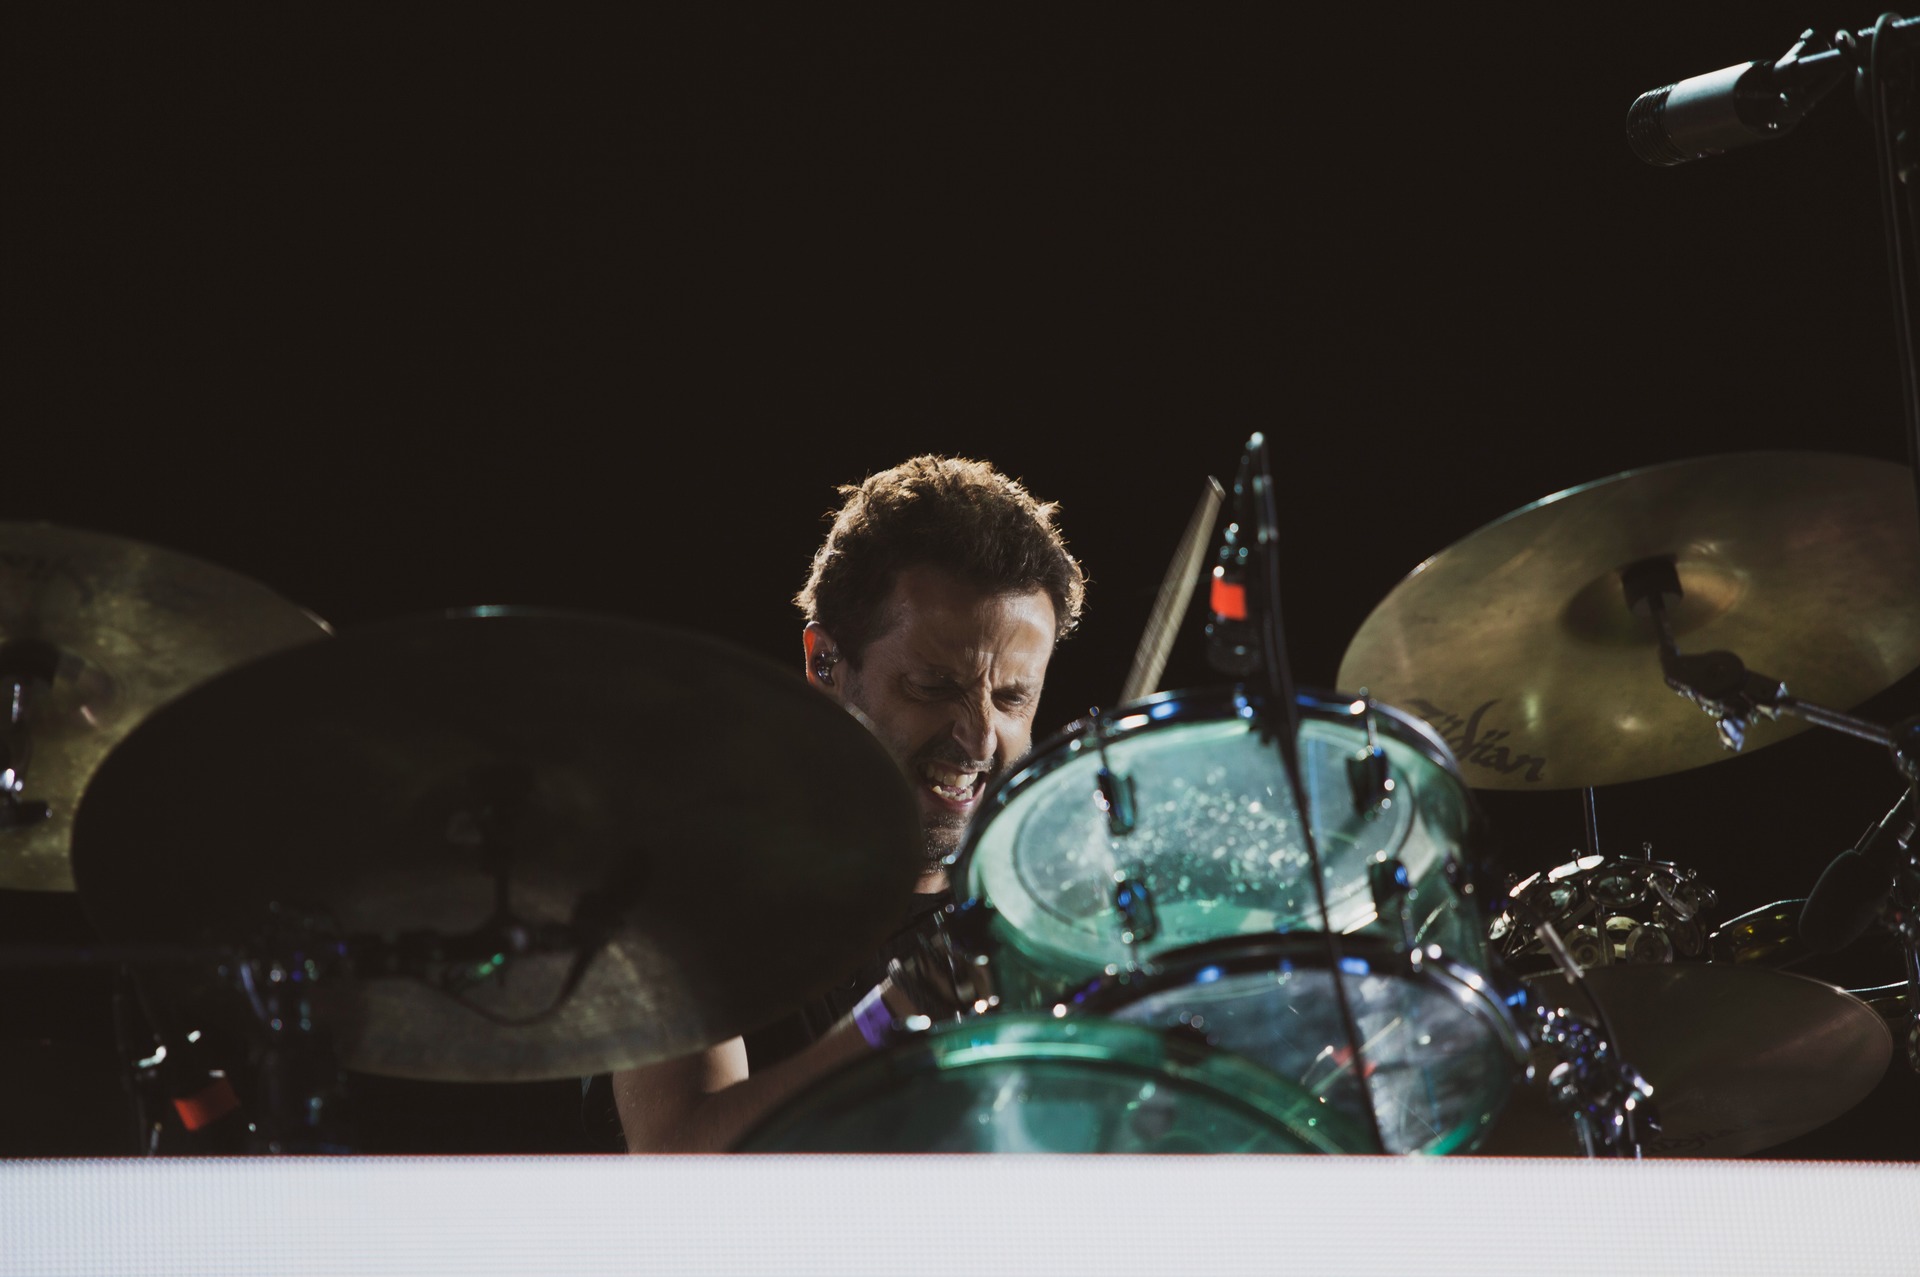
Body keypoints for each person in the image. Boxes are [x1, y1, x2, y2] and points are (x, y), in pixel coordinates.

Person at [606, 455, 1086, 1153]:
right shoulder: (695, 884)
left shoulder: (1030, 912)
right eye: (933, 686)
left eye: (1013, 697)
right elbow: (679, 1160)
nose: (981, 736)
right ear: (825, 664)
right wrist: (902, 1014)